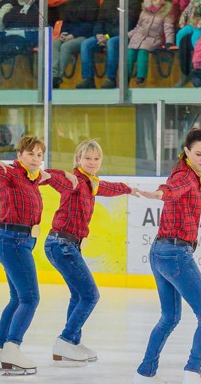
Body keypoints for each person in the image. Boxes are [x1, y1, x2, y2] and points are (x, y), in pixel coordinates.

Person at [131, 128, 201, 384]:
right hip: (174, 253)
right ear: (186, 152)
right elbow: (172, 190)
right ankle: (193, 373)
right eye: (198, 154)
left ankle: (145, 373)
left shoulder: (193, 174)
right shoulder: (184, 175)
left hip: (161, 250)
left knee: (170, 316)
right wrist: (159, 194)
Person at [44, 140, 140, 364]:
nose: (92, 162)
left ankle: (72, 343)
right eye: (88, 158)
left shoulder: (91, 184)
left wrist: (129, 189)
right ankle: (66, 340)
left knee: (78, 295)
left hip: (65, 245)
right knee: (90, 295)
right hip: (62, 244)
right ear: (78, 159)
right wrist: (60, 174)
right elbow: (50, 175)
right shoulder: (74, 181)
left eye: (96, 158)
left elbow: (107, 187)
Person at [0, 137, 58, 374]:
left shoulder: (35, 178)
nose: (36, 159)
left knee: (18, 299)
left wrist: (68, 175)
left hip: (21, 242)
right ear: (19, 155)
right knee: (30, 298)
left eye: (40, 155)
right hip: (13, 241)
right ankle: (12, 347)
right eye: (31, 154)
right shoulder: (10, 173)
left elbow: (55, 177)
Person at [77, 0, 128, 88]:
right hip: (104, 36)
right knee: (86, 44)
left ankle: (111, 78)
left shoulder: (131, 3)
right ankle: (88, 79)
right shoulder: (107, 2)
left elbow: (127, 26)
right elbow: (99, 21)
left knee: (111, 43)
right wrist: (99, 35)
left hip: (122, 36)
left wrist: (107, 36)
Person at [52, 0, 98, 88]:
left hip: (84, 36)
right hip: (69, 35)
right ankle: (53, 75)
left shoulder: (91, 2)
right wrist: (64, 33)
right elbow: (66, 22)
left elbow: (90, 25)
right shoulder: (69, 2)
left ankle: (59, 76)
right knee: (55, 44)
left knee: (66, 47)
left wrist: (73, 35)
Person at [125, 0, 174, 86]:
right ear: (149, 1)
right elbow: (138, 27)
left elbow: (168, 28)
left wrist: (169, 41)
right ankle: (125, 77)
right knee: (130, 52)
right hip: (139, 36)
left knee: (143, 51)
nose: (158, 1)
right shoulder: (144, 12)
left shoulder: (165, 13)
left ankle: (141, 76)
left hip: (153, 38)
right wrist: (128, 35)